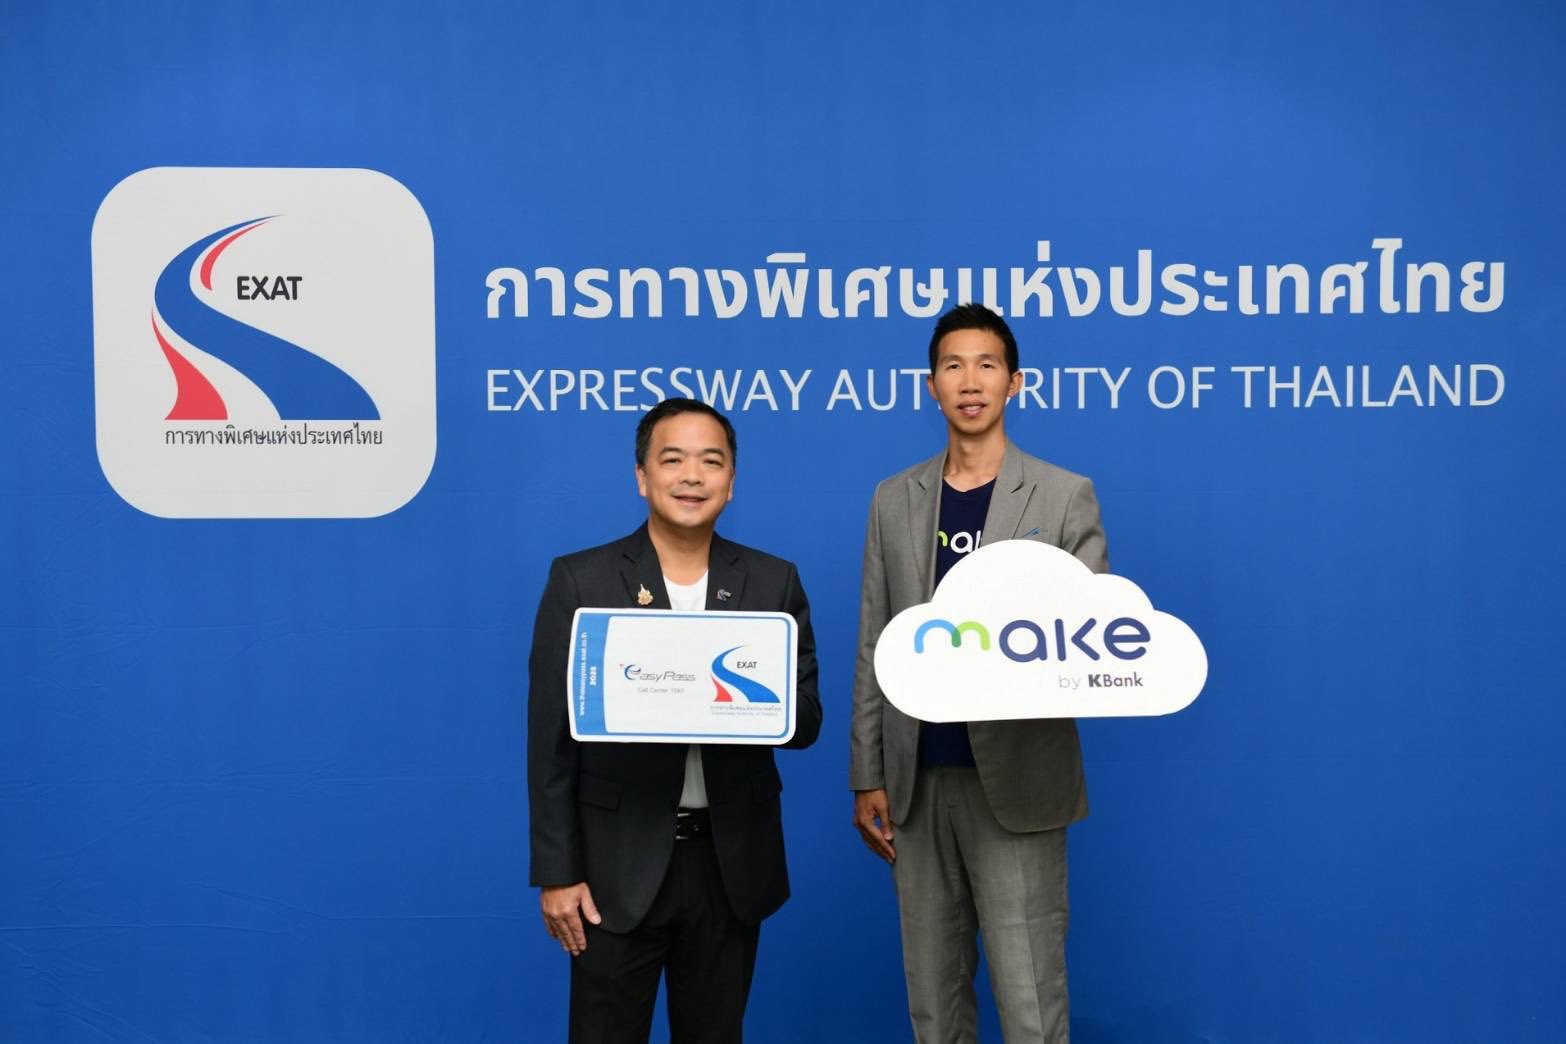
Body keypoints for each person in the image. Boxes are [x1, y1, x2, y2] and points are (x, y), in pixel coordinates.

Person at [849, 304, 1108, 1044]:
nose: (970, 381)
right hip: (916, 779)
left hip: (1018, 779)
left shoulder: (1063, 494)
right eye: (953, 366)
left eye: (987, 365)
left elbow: (1088, 635)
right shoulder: (893, 499)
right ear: (931, 384)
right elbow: (875, 639)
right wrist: (867, 772)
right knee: (934, 1003)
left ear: (1014, 382)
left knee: (1030, 1001)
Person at [528, 397, 822, 1044]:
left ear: (731, 481)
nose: (692, 476)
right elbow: (550, 743)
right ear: (642, 476)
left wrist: (749, 695)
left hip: (728, 865)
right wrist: (557, 872)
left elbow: (805, 723)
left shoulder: (772, 582)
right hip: (612, 867)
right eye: (673, 460)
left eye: (711, 462)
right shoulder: (581, 580)